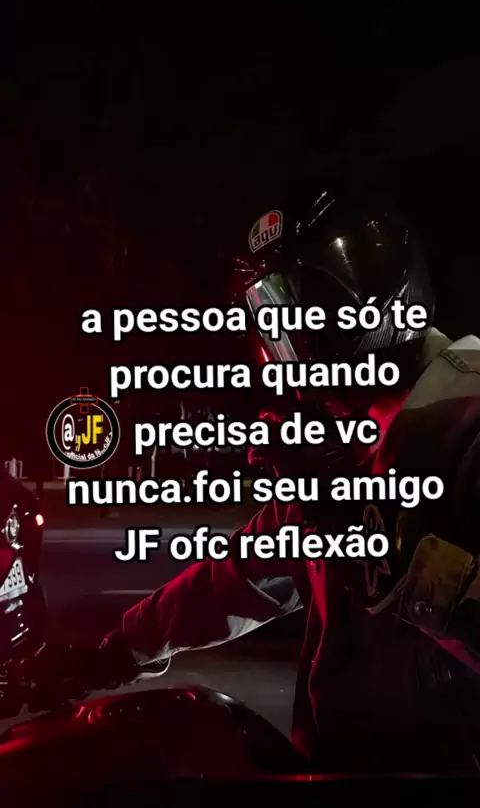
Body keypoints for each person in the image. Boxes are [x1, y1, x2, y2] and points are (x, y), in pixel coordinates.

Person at [13, 184, 480, 774]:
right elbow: (241, 573)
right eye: (271, 316)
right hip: (339, 766)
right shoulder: (345, 436)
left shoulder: (465, 412)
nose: (287, 344)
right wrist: (118, 651)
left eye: (302, 311)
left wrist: (378, 543)